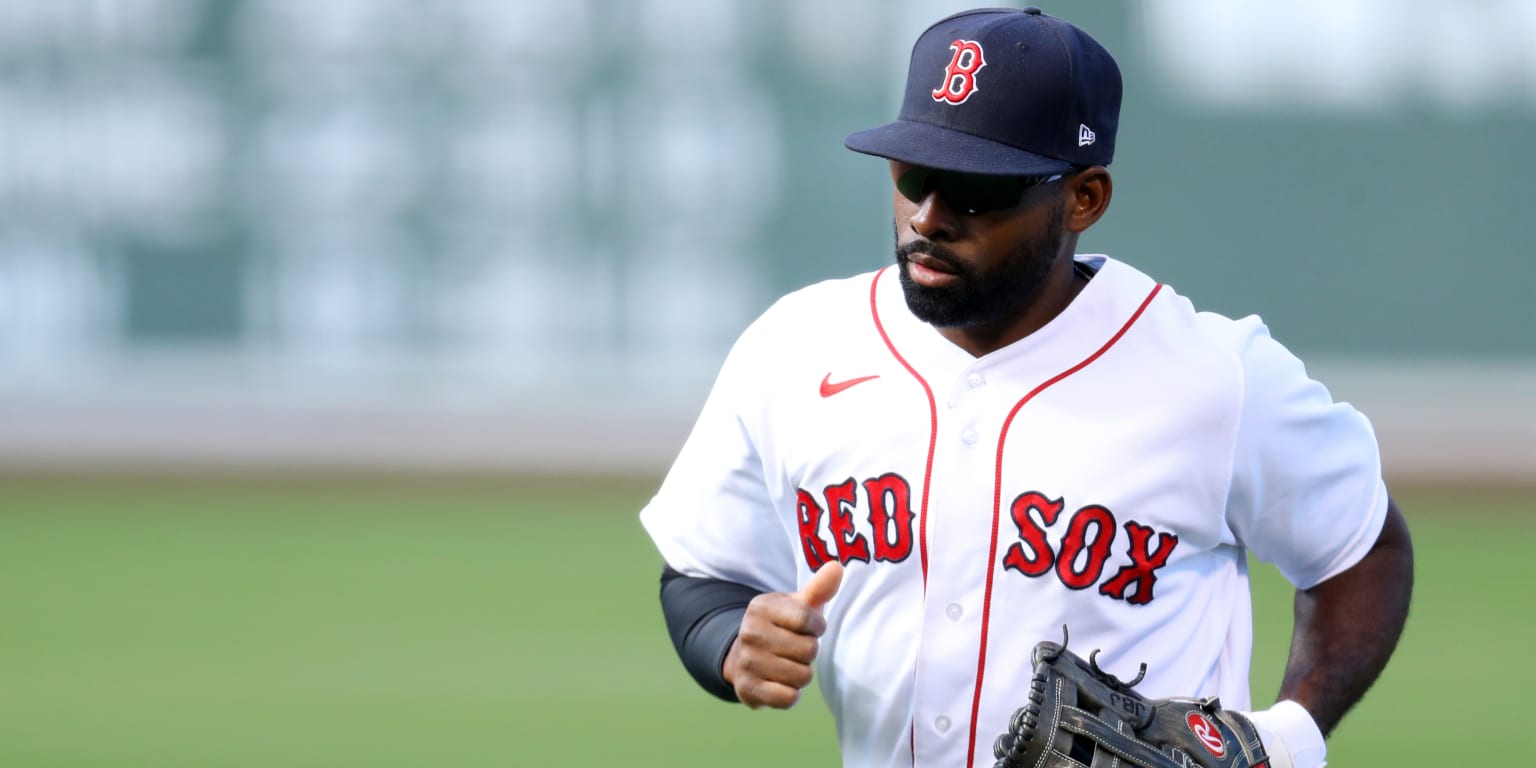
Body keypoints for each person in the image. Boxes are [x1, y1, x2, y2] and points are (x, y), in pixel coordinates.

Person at [639, 8, 1413, 768]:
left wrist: (1287, 735)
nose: (929, 217)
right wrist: (731, 640)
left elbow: (1362, 545)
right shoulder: (797, 347)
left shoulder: (1214, 376)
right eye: (914, 175)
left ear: (1084, 198)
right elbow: (705, 570)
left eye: (977, 190)